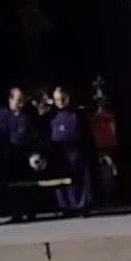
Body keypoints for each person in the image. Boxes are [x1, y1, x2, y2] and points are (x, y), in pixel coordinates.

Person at [0, 87, 42, 222]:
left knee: (27, 184)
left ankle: (30, 211)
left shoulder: (28, 115)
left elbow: (35, 134)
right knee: (12, 186)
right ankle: (16, 213)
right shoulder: (0, 115)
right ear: (10, 100)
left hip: (25, 155)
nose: (21, 104)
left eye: (23, 100)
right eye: (18, 100)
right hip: (8, 155)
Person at [48, 86, 95, 217]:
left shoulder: (78, 114)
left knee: (79, 179)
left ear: (68, 98)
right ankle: (65, 207)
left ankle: (81, 206)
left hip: (76, 150)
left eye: (63, 98)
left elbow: (86, 134)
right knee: (61, 180)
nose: (61, 102)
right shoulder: (51, 115)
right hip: (59, 151)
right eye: (57, 99)